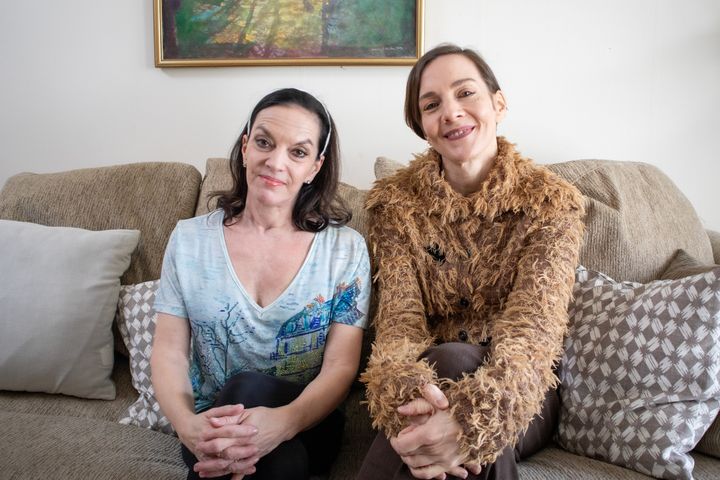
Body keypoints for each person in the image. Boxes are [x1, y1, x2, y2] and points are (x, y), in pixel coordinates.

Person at [358, 44, 585, 480]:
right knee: (447, 365)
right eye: (432, 105)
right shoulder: (393, 205)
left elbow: (533, 333)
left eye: (465, 93)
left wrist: (474, 416)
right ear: (423, 127)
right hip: (426, 379)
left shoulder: (551, 203)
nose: (450, 112)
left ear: (498, 104)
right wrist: (410, 394)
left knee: (457, 370)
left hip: (523, 392)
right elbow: (399, 323)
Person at [151, 88, 371, 480]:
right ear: (245, 147)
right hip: (211, 425)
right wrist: (187, 426)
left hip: (308, 422)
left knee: (248, 394)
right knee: (271, 458)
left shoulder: (345, 250)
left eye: (298, 152)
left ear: (315, 168)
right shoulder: (189, 240)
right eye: (264, 143)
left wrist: (283, 423)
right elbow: (169, 353)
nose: (275, 162)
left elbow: (340, 366)